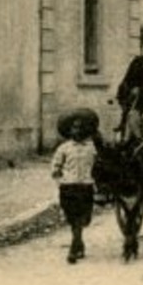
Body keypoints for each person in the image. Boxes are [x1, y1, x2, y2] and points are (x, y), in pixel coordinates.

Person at [51, 111, 99, 263]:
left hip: (86, 187)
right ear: (69, 131)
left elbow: (100, 167)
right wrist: (60, 181)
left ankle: (76, 244)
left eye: (79, 128)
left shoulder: (92, 148)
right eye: (73, 128)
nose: (76, 131)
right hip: (68, 188)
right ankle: (75, 245)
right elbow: (55, 167)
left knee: (84, 218)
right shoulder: (64, 148)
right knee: (73, 218)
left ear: (84, 130)